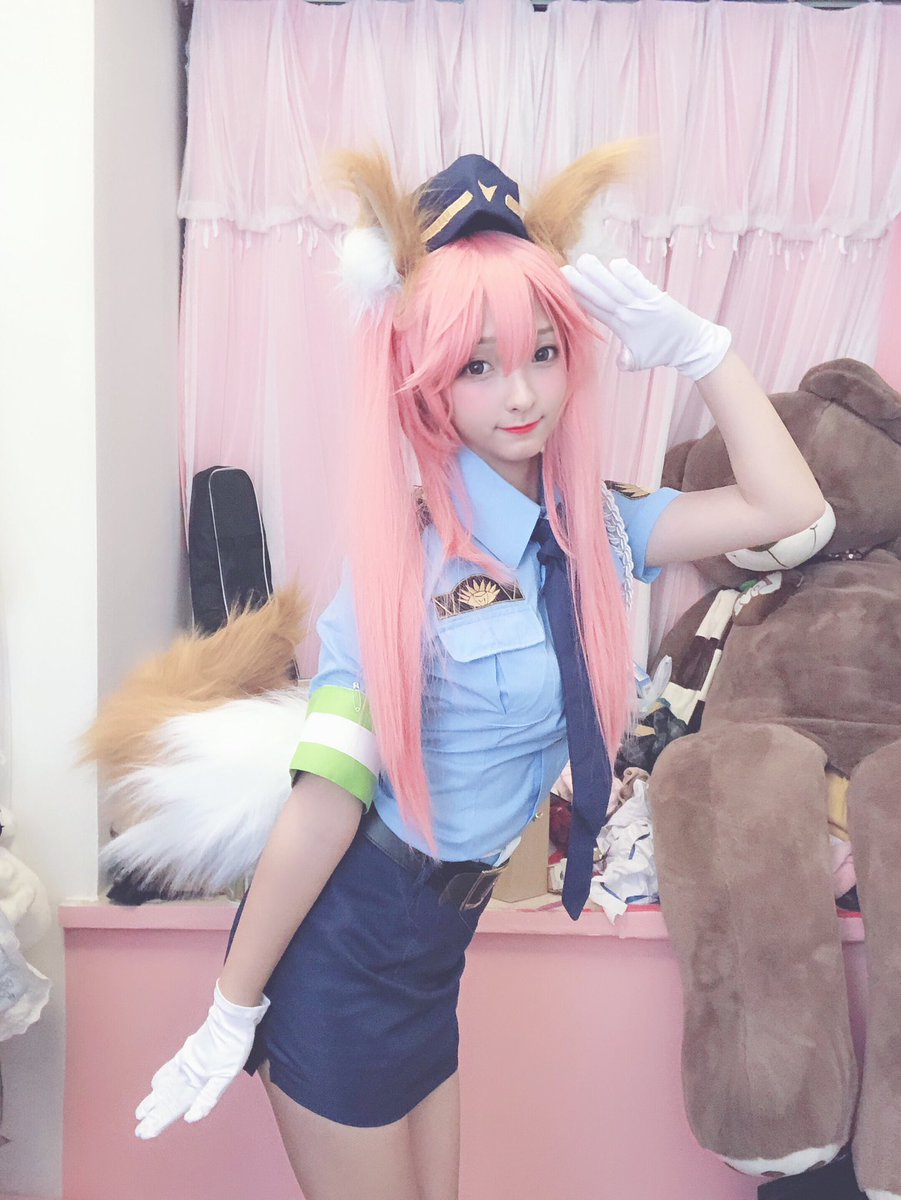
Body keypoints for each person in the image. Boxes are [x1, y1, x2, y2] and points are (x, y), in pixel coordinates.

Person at [132, 148, 825, 1200]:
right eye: (477, 366)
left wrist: (704, 353)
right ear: (425, 382)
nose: (520, 393)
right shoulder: (401, 568)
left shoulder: (601, 528)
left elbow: (788, 508)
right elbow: (325, 804)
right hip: (346, 949)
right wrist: (232, 1006)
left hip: (433, 953)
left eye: (542, 352)